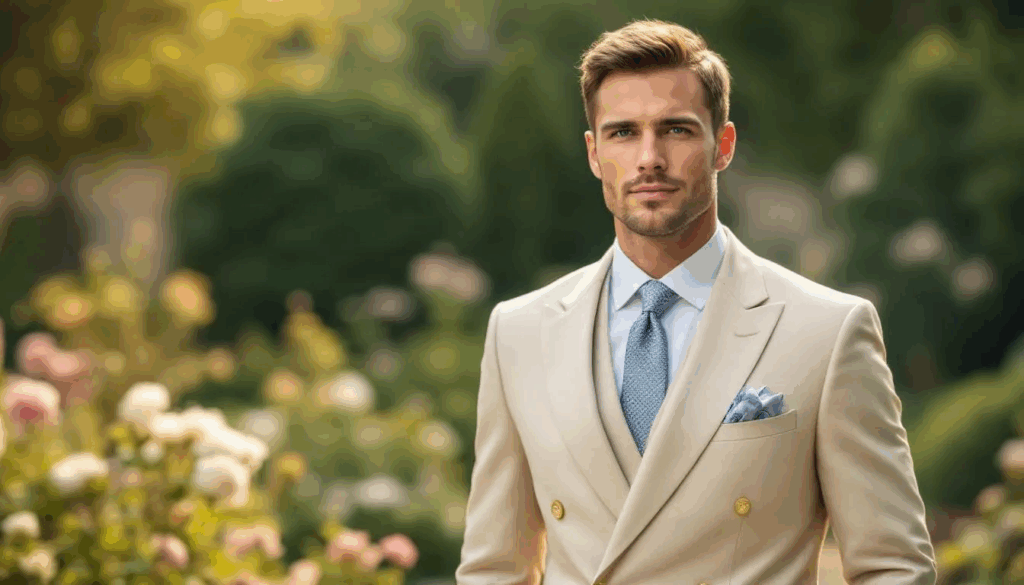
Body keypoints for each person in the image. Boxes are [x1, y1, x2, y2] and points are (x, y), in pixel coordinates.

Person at [455, 18, 936, 585]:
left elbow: (892, 566)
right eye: (623, 132)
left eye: (676, 130)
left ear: (722, 146)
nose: (649, 158)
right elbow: (494, 569)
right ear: (593, 153)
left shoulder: (828, 331)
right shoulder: (518, 332)